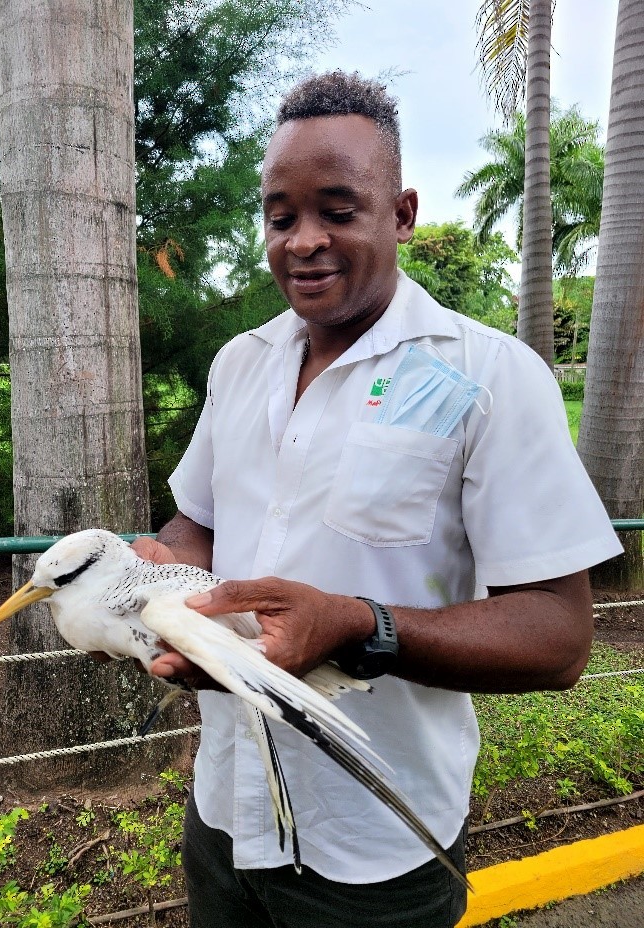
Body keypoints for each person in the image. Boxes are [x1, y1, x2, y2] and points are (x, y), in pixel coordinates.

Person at [132, 71, 623, 928]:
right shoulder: (240, 363)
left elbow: (557, 634)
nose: (303, 242)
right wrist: (146, 591)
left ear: (402, 213)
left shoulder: (487, 377)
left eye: (338, 209)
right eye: (280, 217)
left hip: (379, 845)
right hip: (224, 815)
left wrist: (360, 626)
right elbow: (197, 527)